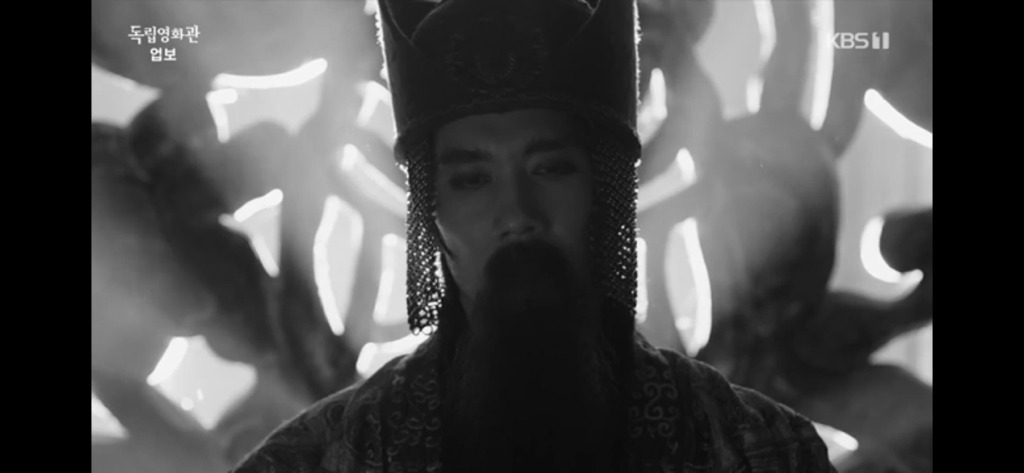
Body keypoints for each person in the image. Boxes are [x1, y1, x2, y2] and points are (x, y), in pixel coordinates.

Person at [231, 0, 836, 471]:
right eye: (472, 180)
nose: (517, 213)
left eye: (550, 169)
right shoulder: (315, 460)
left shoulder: (761, 451)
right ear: (430, 209)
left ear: (604, 189)